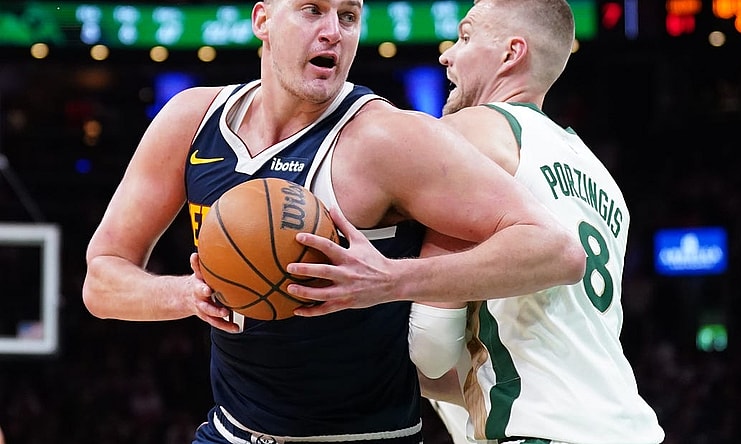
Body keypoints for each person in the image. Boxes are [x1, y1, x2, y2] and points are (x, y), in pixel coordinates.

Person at [82, 0, 586, 443]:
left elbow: (555, 251)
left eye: (348, 16)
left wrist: (391, 280)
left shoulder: (385, 138)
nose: (333, 31)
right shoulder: (191, 119)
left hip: (368, 434)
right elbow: (102, 279)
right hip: (232, 431)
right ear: (263, 19)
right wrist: (187, 294)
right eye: (312, 10)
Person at [287, 0, 666, 443]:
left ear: (511, 53)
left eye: (465, 37)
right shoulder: (601, 178)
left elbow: (431, 347)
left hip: (538, 430)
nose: (446, 53)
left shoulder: (472, 133)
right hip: (630, 424)